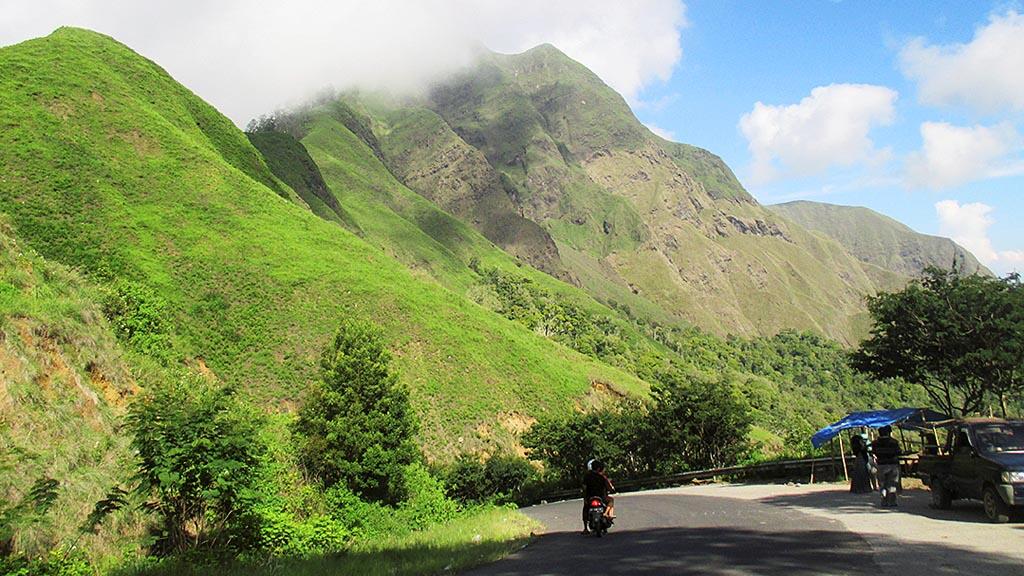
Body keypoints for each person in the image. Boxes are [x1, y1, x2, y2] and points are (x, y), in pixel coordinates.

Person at [870, 425, 902, 507]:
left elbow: (872, 452)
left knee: (882, 484)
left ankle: (884, 500)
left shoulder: (875, 443)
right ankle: (892, 501)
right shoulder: (894, 442)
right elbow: (899, 452)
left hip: (880, 464)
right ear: (888, 432)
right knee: (892, 484)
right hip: (892, 465)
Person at [581, 459, 615, 533]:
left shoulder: (587, 477)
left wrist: (585, 498)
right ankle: (606, 513)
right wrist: (611, 489)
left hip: (590, 497)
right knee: (611, 500)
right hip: (601, 497)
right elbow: (608, 487)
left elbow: (584, 488)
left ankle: (585, 528)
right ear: (599, 468)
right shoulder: (602, 477)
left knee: (585, 509)